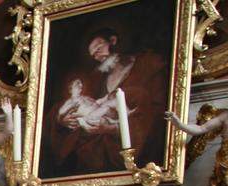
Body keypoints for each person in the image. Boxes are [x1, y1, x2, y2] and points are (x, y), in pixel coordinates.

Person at [48, 28, 166, 174]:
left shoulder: (148, 63)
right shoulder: (96, 78)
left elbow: (158, 115)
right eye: (93, 54)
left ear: (113, 41)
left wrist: (112, 128)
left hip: (140, 156)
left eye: (99, 47)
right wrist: (62, 119)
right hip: (97, 157)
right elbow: (75, 104)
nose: (97, 55)